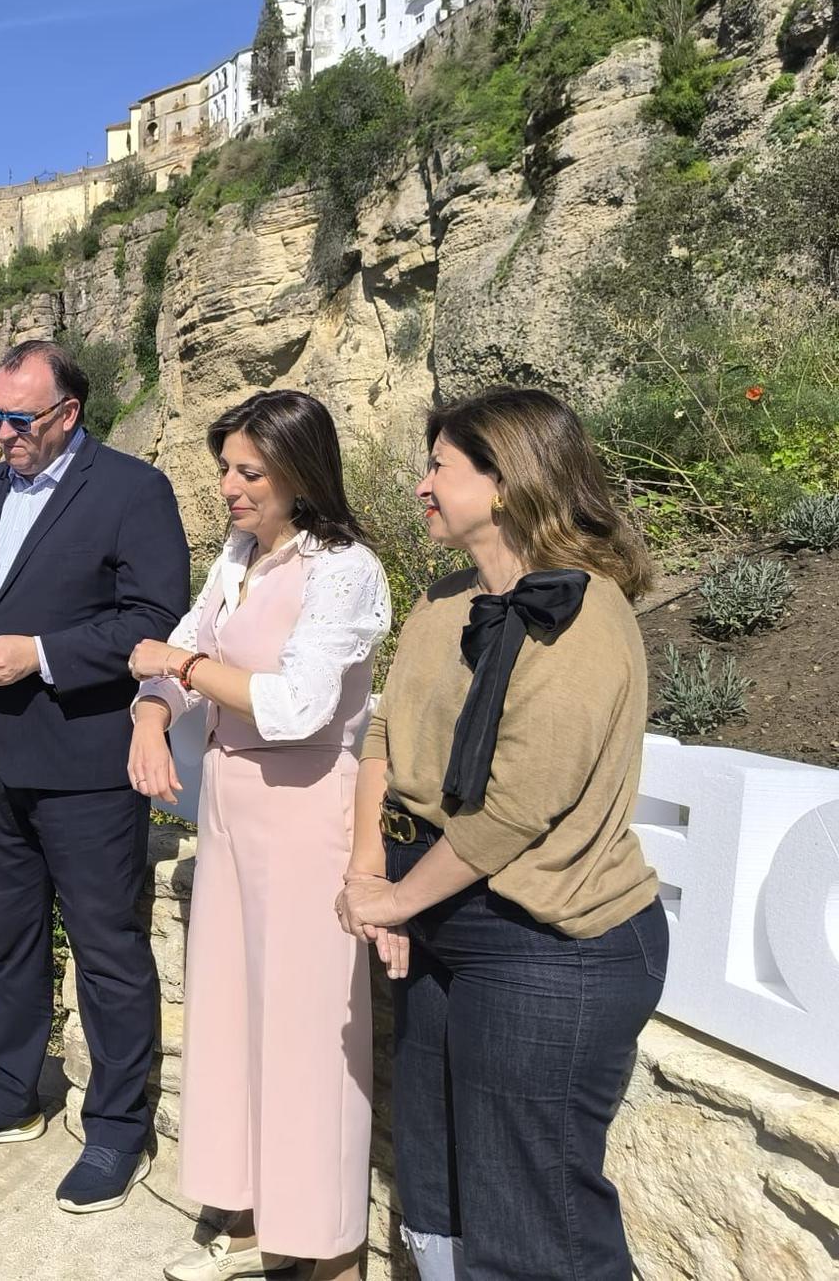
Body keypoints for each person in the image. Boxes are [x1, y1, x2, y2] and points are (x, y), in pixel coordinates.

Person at [338, 387, 665, 1281]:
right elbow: (384, 734)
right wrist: (372, 874)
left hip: (551, 944)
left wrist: (398, 898)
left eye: (439, 467)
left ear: (507, 481)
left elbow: (521, 805)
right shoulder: (444, 603)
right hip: (447, 917)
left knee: (534, 1219)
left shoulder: (586, 615)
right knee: (440, 1184)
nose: (420, 487)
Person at [0, 338, 190, 1214]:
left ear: (67, 415)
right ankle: (12, 1092)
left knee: (107, 950)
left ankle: (114, 1127)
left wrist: (40, 653)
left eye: (17, 419)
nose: (0, 434)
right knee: (10, 941)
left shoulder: (132, 490)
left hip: (84, 766)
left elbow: (156, 617)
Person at [128, 390, 391, 1281]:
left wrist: (183, 670)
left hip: (309, 805)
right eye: (226, 471)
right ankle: (250, 1221)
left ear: (298, 473)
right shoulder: (242, 554)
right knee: (234, 1012)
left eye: (248, 472)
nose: (229, 490)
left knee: (310, 1031)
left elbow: (296, 705)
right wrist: (151, 715)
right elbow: (176, 645)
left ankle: (327, 1253)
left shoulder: (344, 568)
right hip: (234, 803)